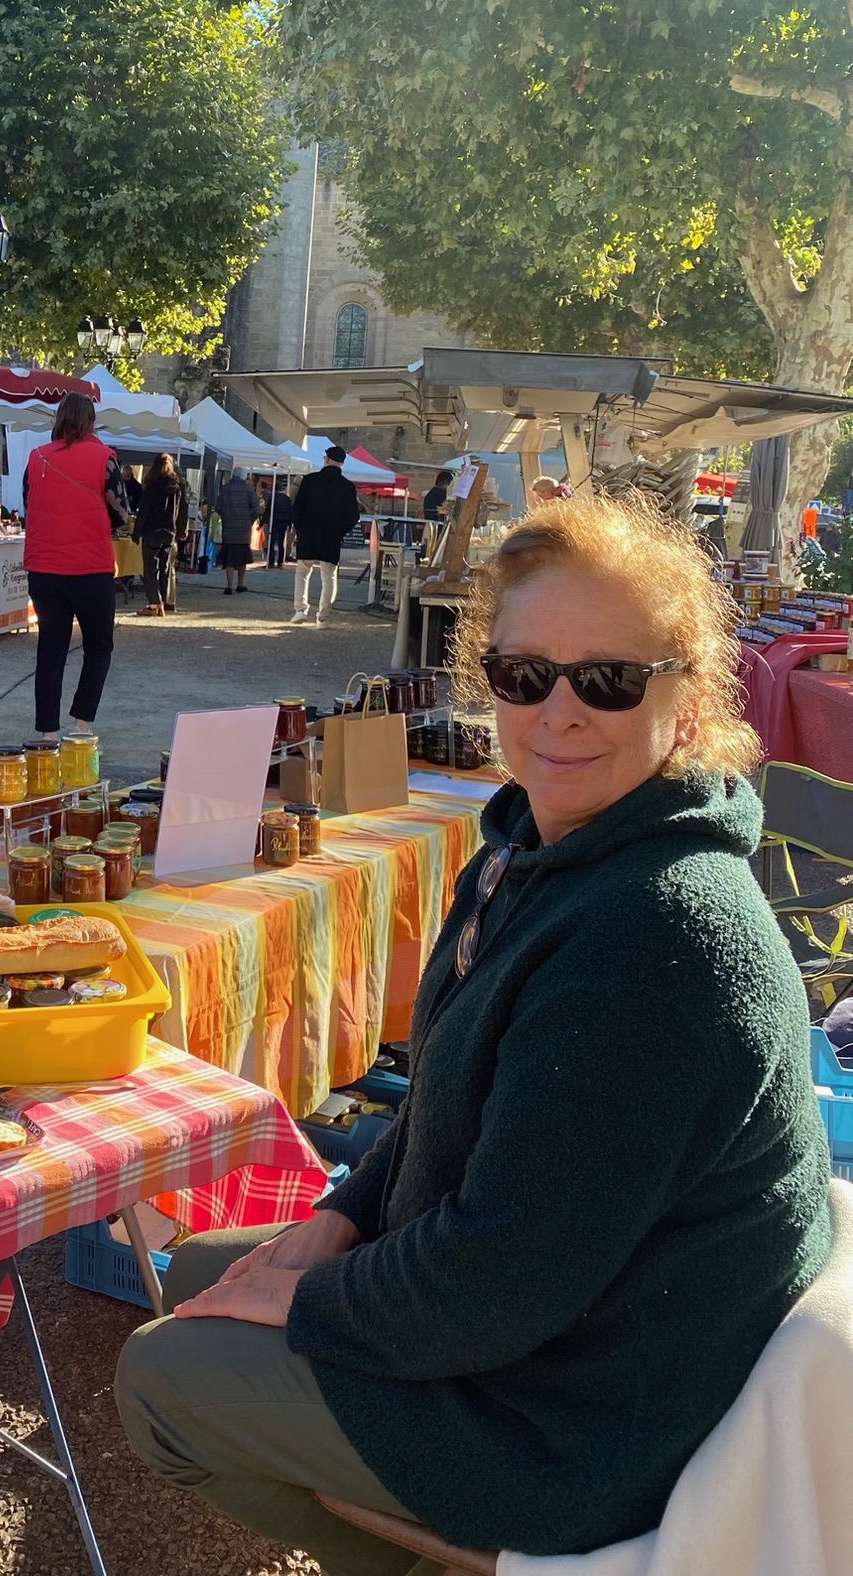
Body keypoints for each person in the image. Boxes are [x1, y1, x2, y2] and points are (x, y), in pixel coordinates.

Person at [116, 496, 830, 1573]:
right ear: (484, 673)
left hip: (585, 1413)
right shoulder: (525, 852)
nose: (560, 711)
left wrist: (309, 1294)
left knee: (161, 1379)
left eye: (610, 679)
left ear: (685, 703)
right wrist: (338, 1224)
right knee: (193, 1272)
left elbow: (495, 1286)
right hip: (557, 1321)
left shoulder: (656, 931)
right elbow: (444, 1094)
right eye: (524, 673)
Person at [22, 394, 132, 741]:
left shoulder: (36, 457)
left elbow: (28, 502)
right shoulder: (104, 458)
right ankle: (82, 722)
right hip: (89, 568)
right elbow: (121, 510)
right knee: (98, 646)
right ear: (91, 422)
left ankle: (47, 732)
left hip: (45, 567)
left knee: (51, 649)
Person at [289, 445, 361, 627]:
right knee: (329, 576)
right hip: (331, 535)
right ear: (342, 463)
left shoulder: (310, 480)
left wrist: (300, 529)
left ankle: (300, 610)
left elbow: (298, 508)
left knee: (302, 571)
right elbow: (353, 515)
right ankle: (323, 617)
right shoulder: (347, 486)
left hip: (308, 532)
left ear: (326, 459)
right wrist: (339, 532)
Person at [133, 453, 188, 617]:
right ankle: (162, 603)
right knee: (164, 569)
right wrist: (180, 531)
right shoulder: (177, 487)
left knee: (150, 568)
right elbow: (180, 511)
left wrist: (137, 532)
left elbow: (144, 510)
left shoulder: (153, 485)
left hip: (152, 531)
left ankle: (153, 604)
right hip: (169, 532)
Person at [214, 470, 262, 594]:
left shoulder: (225, 489)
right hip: (244, 530)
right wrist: (249, 520)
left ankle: (229, 586)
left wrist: (226, 516)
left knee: (230, 557)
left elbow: (218, 506)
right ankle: (240, 584)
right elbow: (257, 510)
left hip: (229, 528)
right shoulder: (249, 490)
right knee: (242, 557)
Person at [266, 479, 293, 567]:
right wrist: (290, 524)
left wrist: (262, 522)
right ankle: (280, 562)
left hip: (274, 521)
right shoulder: (287, 499)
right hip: (284, 522)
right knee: (281, 543)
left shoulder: (273, 498)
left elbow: (268, 510)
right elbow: (290, 512)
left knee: (272, 542)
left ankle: (271, 562)